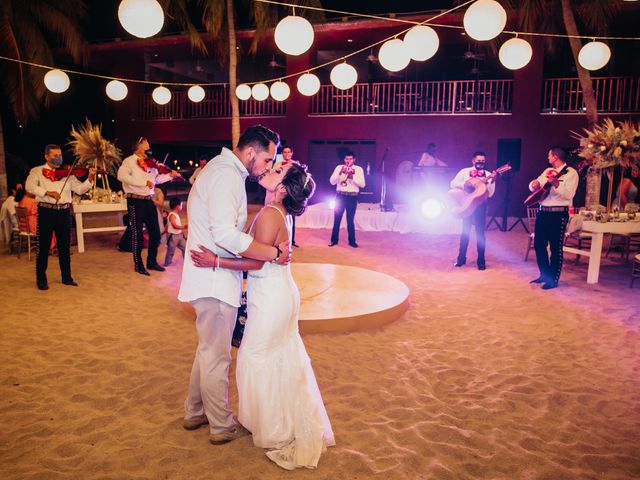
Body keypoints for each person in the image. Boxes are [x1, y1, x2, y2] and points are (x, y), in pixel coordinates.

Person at [190, 161, 335, 470]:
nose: (272, 169)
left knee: (255, 358)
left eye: (278, 170)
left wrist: (215, 260)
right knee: (276, 356)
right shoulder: (277, 213)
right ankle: (276, 421)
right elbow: (261, 254)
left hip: (271, 296)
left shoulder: (271, 214)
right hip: (275, 293)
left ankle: (274, 428)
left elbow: (254, 263)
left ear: (282, 188)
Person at [177, 125, 292, 446]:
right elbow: (225, 234)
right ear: (251, 152)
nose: (268, 166)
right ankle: (221, 425)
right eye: (267, 158)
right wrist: (271, 252)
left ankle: (194, 411)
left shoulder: (222, 170)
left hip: (209, 277)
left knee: (207, 352)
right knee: (217, 356)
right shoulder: (227, 175)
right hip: (213, 282)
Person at [25, 144, 96, 290]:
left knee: (64, 247)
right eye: (55, 155)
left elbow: (79, 189)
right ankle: (41, 279)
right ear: (46, 156)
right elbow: (29, 186)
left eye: (60, 155)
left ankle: (66, 277)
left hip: (64, 212)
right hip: (46, 211)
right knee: (43, 247)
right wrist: (47, 192)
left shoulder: (67, 173)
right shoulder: (37, 171)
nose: (59, 158)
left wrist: (90, 178)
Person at [117, 137, 180, 275]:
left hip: (148, 200)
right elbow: (121, 176)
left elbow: (156, 180)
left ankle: (151, 262)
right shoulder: (128, 161)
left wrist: (170, 176)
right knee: (137, 235)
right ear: (138, 147)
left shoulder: (151, 163)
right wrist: (142, 182)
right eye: (147, 146)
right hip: (135, 201)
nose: (150, 149)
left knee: (156, 234)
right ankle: (138, 265)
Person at [528, 146, 579, 290]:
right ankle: (544, 274)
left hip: (558, 214)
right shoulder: (546, 171)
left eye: (549, 155)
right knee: (539, 245)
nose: (548, 158)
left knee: (556, 248)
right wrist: (534, 184)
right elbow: (535, 186)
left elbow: (569, 195)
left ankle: (553, 279)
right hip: (543, 212)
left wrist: (557, 184)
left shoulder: (571, 173)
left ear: (556, 156)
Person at [450, 151, 496, 270]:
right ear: (473, 161)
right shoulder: (464, 172)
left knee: (480, 233)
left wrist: (492, 181)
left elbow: (490, 194)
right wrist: (466, 184)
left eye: (483, 161)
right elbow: (452, 183)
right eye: (478, 161)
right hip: (467, 204)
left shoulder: (489, 174)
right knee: (465, 232)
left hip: (481, 206)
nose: (481, 163)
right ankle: (461, 259)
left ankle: (481, 261)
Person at [329, 151, 365, 248]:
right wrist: (340, 173)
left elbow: (362, 184)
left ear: (354, 159)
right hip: (340, 196)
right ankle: (334, 240)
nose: (348, 161)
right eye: (346, 159)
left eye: (350, 159)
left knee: (350, 220)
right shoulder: (339, 167)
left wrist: (352, 177)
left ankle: (352, 241)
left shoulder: (359, 169)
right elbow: (332, 182)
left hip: (352, 197)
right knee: (337, 219)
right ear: (344, 159)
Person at [281, 146, 300, 247]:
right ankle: (281, 240)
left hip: (291, 194)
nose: (287, 154)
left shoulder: (296, 164)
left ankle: (292, 241)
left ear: (292, 153)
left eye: (289, 152)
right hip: (280, 193)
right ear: (282, 154)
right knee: (281, 217)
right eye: (285, 152)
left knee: (291, 218)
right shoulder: (277, 164)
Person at [164, 197, 187, 266]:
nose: (181, 207)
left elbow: (167, 226)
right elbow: (174, 225)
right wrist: (183, 227)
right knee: (171, 250)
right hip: (173, 236)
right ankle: (167, 263)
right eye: (181, 205)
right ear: (177, 206)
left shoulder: (175, 215)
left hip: (179, 235)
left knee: (185, 248)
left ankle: (186, 262)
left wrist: (181, 232)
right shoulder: (172, 215)